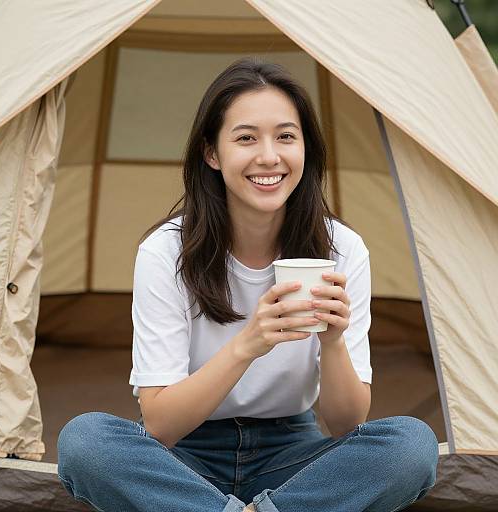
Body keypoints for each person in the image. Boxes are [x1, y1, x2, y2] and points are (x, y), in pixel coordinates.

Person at [57, 57, 438, 512]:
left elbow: (345, 424)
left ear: (306, 149)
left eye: (285, 136)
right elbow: (159, 426)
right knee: (85, 442)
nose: (269, 157)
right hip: (184, 457)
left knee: (412, 445)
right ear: (211, 153)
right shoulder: (165, 252)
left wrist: (334, 344)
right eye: (245, 138)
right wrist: (249, 343)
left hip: (293, 452)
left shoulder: (342, 249)